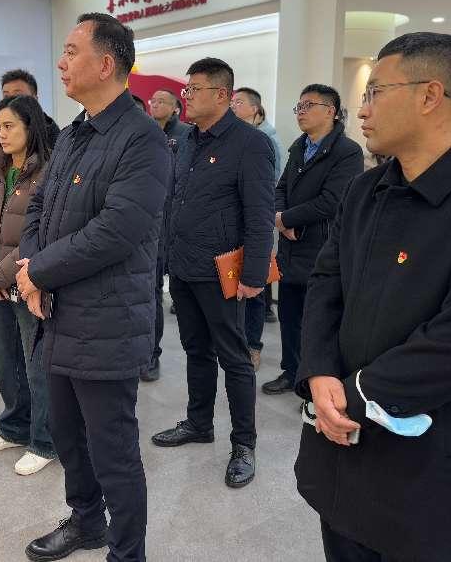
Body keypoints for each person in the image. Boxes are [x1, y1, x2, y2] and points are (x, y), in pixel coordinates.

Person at [295, 33, 451, 561]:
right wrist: (318, 372)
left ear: (430, 95)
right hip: (340, 450)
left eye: (375, 92)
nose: (361, 110)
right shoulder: (364, 190)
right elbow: (325, 285)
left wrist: (354, 395)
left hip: (429, 467)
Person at [17, 13, 169, 562]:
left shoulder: (143, 140)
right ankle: (86, 522)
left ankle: (127, 553)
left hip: (107, 319)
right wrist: (29, 266)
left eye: (71, 51)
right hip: (58, 314)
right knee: (67, 435)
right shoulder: (74, 133)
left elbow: (116, 231)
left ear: (106, 64)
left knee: (113, 450)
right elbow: (39, 206)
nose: (61, 63)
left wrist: (38, 272)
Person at [151, 58, 274, 490]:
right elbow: (175, 201)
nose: (186, 96)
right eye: (186, 89)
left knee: (234, 358)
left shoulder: (251, 143)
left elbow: (260, 215)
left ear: (222, 95)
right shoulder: (187, 140)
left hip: (223, 272)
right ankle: (199, 423)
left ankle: (244, 444)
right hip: (184, 267)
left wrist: (254, 277)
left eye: (194, 90)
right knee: (195, 349)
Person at [0, 95, 57, 476]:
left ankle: (45, 440)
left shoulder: (48, 171)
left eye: (9, 126)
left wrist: (0, 275)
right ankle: (14, 426)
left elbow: (43, 232)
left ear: (30, 127)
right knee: (6, 361)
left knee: (37, 365)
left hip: (29, 280)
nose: (1, 134)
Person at [260, 84, 362, 395]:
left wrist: (286, 220)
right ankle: (291, 372)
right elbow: (280, 188)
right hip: (291, 247)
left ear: (331, 111)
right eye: (299, 106)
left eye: (309, 105)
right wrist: (280, 218)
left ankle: (315, 379)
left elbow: (332, 201)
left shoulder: (347, 151)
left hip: (322, 248)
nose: (301, 112)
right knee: (289, 314)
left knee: (318, 320)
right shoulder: (298, 147)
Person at [141, 88, 193, 382]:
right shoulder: (146, 131)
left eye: (163, 101)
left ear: (176, 107)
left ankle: (152, 355)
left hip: (167, 226)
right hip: (140, 220)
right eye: (154, 100)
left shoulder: (185, 135)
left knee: (152, 292)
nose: (156, 104)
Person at [231, 86, 284, 327]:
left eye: (239, 102)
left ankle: (254, 340)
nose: (233, 106)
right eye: (232, 102)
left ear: (255, 109)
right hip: (238, 221)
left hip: (255, 218)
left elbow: (272, 183)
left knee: (255, 280)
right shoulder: (237, 137)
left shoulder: (264, 139)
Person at [0, 68, 62, 146]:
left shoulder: (51, 136)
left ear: (35, 99)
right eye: (6, 96)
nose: (10, 101)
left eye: (18, 96)